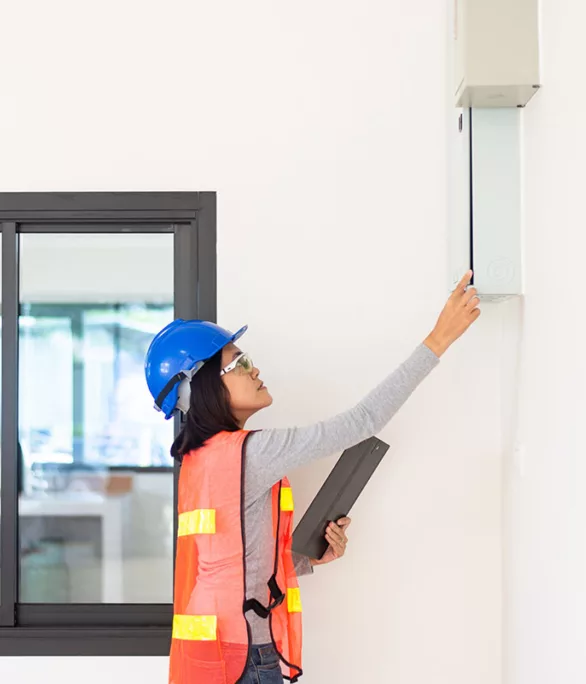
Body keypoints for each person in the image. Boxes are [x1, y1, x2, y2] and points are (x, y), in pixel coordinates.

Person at [145, 271, 481, 684]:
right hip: (243, 654)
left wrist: (307, 558)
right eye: (239, 362)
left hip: (210, 652)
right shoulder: (252, 453)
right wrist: (438, 339)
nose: (254, 369)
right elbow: (364, 420)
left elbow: (230, 566)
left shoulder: (200, 461)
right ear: (204, 387)